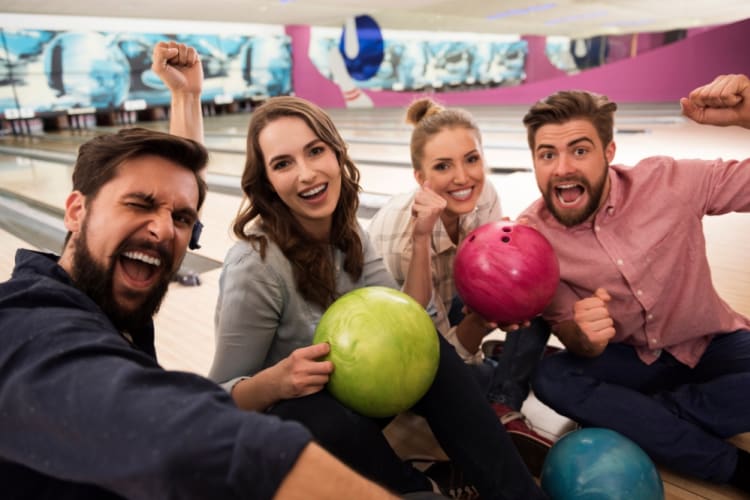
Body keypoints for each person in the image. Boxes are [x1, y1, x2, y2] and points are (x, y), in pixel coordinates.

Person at [0, 46, 401, 500]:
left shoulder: (110, 298)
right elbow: (181, 436)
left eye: (182, 220)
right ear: (76, 210)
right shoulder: (23, 323)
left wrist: (187, 99)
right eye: (138, 203)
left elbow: (174, 201)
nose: (161, 230)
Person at [207, 95, 547, 499]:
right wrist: (279, 381)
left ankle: (517, 493)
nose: (307, 173)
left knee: (429, 346)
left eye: (315, 151)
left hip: (358, 400)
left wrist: (425, 240)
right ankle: (421, 490)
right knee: (315, 412)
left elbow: (406, 315)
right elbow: (219, 403)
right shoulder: (256, 266)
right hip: (292, 429)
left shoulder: (347, 233)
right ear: (266, 182)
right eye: (283, 163)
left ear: (336, 153)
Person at [520, 73, 750, 492]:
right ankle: (735, 469)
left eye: (580, 150)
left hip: (711, 341)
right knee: (552, 377)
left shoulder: (670, 182)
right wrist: (582, 337)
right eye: (547, 154)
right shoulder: (532, 239)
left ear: (609, 151)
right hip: (631, 360)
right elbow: (571, 338)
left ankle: (646, 419)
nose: (563, 168)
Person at [367, 97, 553, 473]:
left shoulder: (483, 195)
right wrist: (481, 322)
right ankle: (503, 375)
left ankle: (501, 391)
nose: (463, 178)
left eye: (472, 159)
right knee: (462, 381)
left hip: (453, 298)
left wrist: (509, 292)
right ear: (421, 179)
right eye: (442, 166)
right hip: (403, 341)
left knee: (536, 292)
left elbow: (497, 275)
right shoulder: (403, 241)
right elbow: (430, 355)